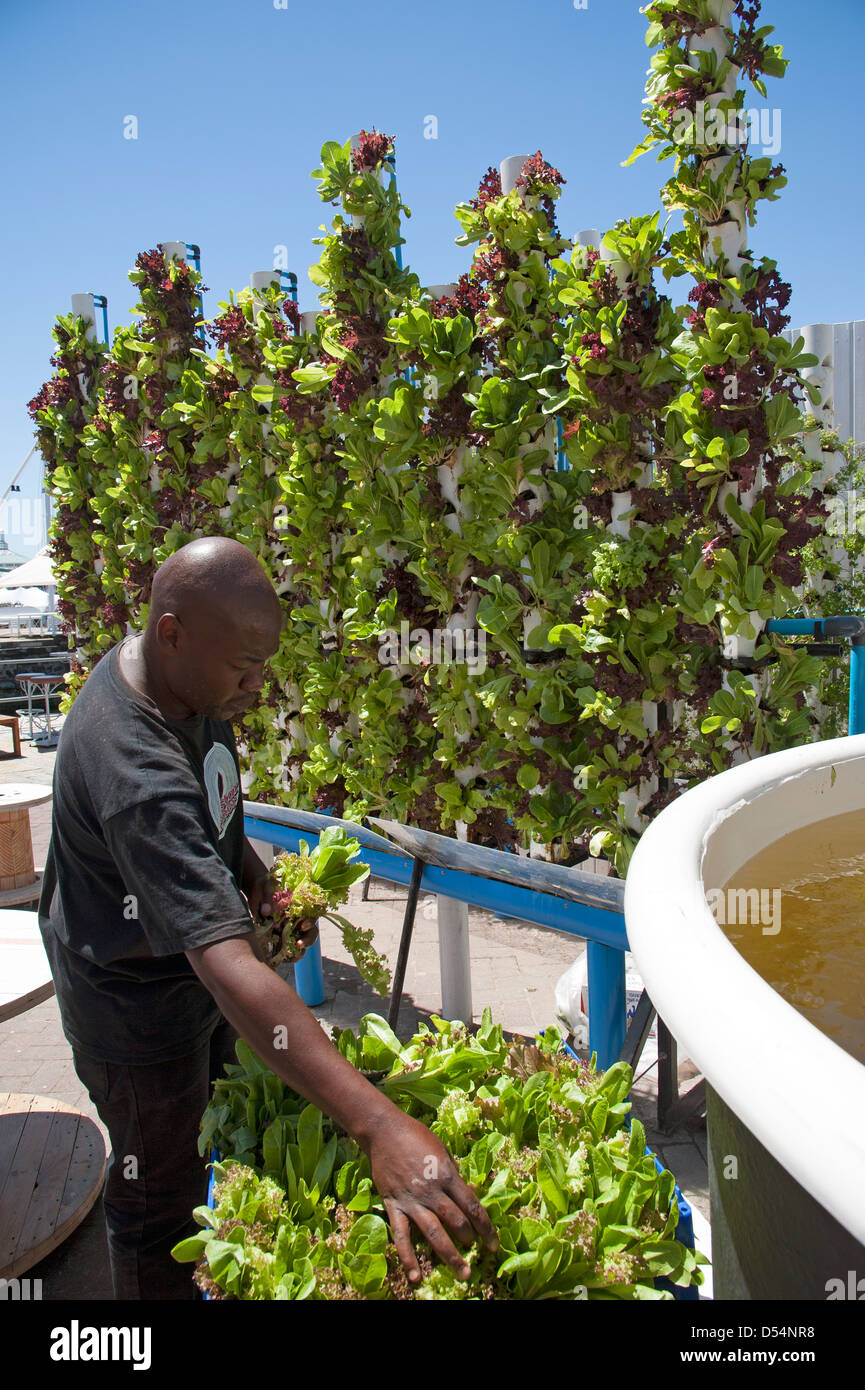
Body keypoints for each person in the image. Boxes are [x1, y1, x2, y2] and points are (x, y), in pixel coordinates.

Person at [38, 536, 497, 1299]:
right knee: (158, 1197)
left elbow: (208, 810)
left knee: (218, 1142)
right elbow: (225, 964)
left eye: (266, 662)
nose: (258, 684)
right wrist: (377, 1125)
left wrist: (249, 874)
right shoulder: (132, 763)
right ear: (172, 632)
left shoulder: (182, 681)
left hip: (184, 976)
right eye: (242, 666)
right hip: (133, 1008)